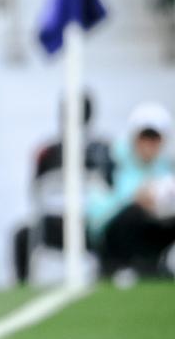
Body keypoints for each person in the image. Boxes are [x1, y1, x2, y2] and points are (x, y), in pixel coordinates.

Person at [11, 93, 113, 285]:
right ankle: (22, 285)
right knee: (22, 235)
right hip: (53, 224)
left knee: (113, 234)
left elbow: (111, 192)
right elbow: (36, 192)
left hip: (90, 225)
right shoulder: (47, 152)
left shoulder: (103, 150)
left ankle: (109, 278)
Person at [88, 102, 175, 279]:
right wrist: (133, 199)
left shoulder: (167, 168)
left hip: (153, 235)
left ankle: (153, 264)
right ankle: (120, 267)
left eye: (154, 138)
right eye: (144, 137)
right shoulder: (111, 162)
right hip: (114, 240)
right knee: (134, 213)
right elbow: (94, 215)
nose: (149, 144)